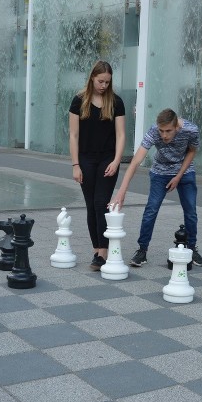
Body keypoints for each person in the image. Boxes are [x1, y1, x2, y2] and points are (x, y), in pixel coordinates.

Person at [110, 108, 202, 267]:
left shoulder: (191, 130)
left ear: (177, 127)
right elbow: (135, 161)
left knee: (190, 211)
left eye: (168, 131)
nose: (164, 135)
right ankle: (142, 250)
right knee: (151, 209)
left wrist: (178, 176)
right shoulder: (154, 131)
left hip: (185, 171)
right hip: (160, 173)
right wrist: (122, 191)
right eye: (161, 131)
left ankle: (192, 248)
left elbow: (192, 151)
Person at [69, 60, 126, 270]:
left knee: (101, 203)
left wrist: (117, 160)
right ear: (92, 77)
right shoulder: (78, 101)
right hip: (84, 158)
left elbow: (121, 135)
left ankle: (103, 252)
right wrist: (75, 164)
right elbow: (73, 135)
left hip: (108, 159)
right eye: (101, 81)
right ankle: (97, 249)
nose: (103, 85)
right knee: (91, 205)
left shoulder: (116, 102)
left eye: (107, 82)